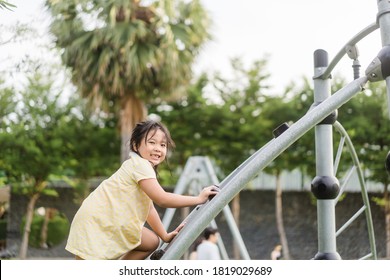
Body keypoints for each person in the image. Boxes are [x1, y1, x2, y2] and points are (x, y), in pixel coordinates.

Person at [65, 120, 218, 260]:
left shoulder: (143, 168)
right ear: (136, 145)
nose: (158, 149)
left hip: (112, 220)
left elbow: (149, 207)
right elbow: (162, 199)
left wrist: (164, 235)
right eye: (152, 142)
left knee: (151, 242)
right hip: (98, 221)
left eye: (163, 145)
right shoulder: (140, 165)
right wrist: (198, 199)